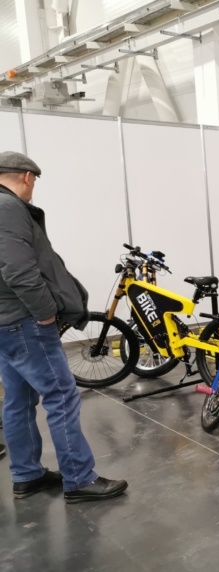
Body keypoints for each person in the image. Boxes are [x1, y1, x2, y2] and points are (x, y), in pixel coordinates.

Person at [0, 151, 127, 503]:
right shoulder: (7, 207)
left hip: (5, 323)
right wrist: (45, 313)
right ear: (27, 177)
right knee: (62, 396)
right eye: (34, 182)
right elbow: (18, 271)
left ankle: (27, 475)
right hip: (24, 322)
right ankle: (79, 478)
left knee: (19, 399)